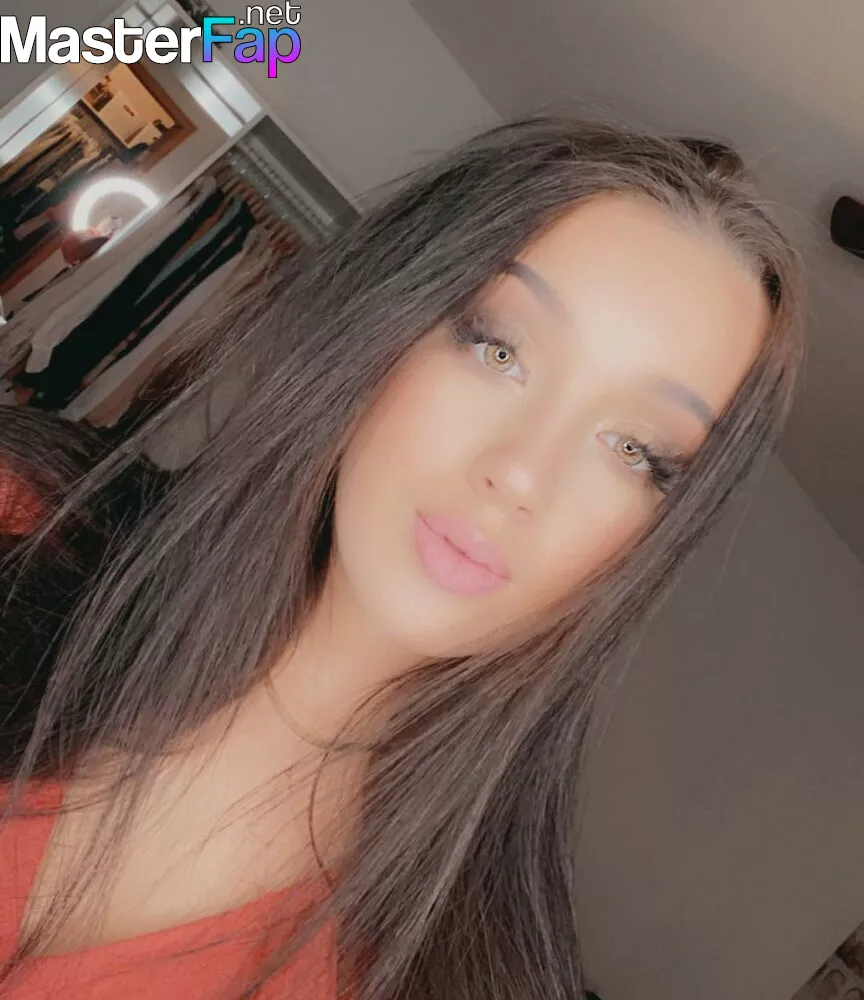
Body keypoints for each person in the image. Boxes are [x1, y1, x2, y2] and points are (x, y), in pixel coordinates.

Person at [0, 115, 804, 1000]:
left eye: (635, 450)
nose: (521, 473)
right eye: (500, 349)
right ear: (385, 321)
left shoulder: (453, 978)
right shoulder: (21, 517)